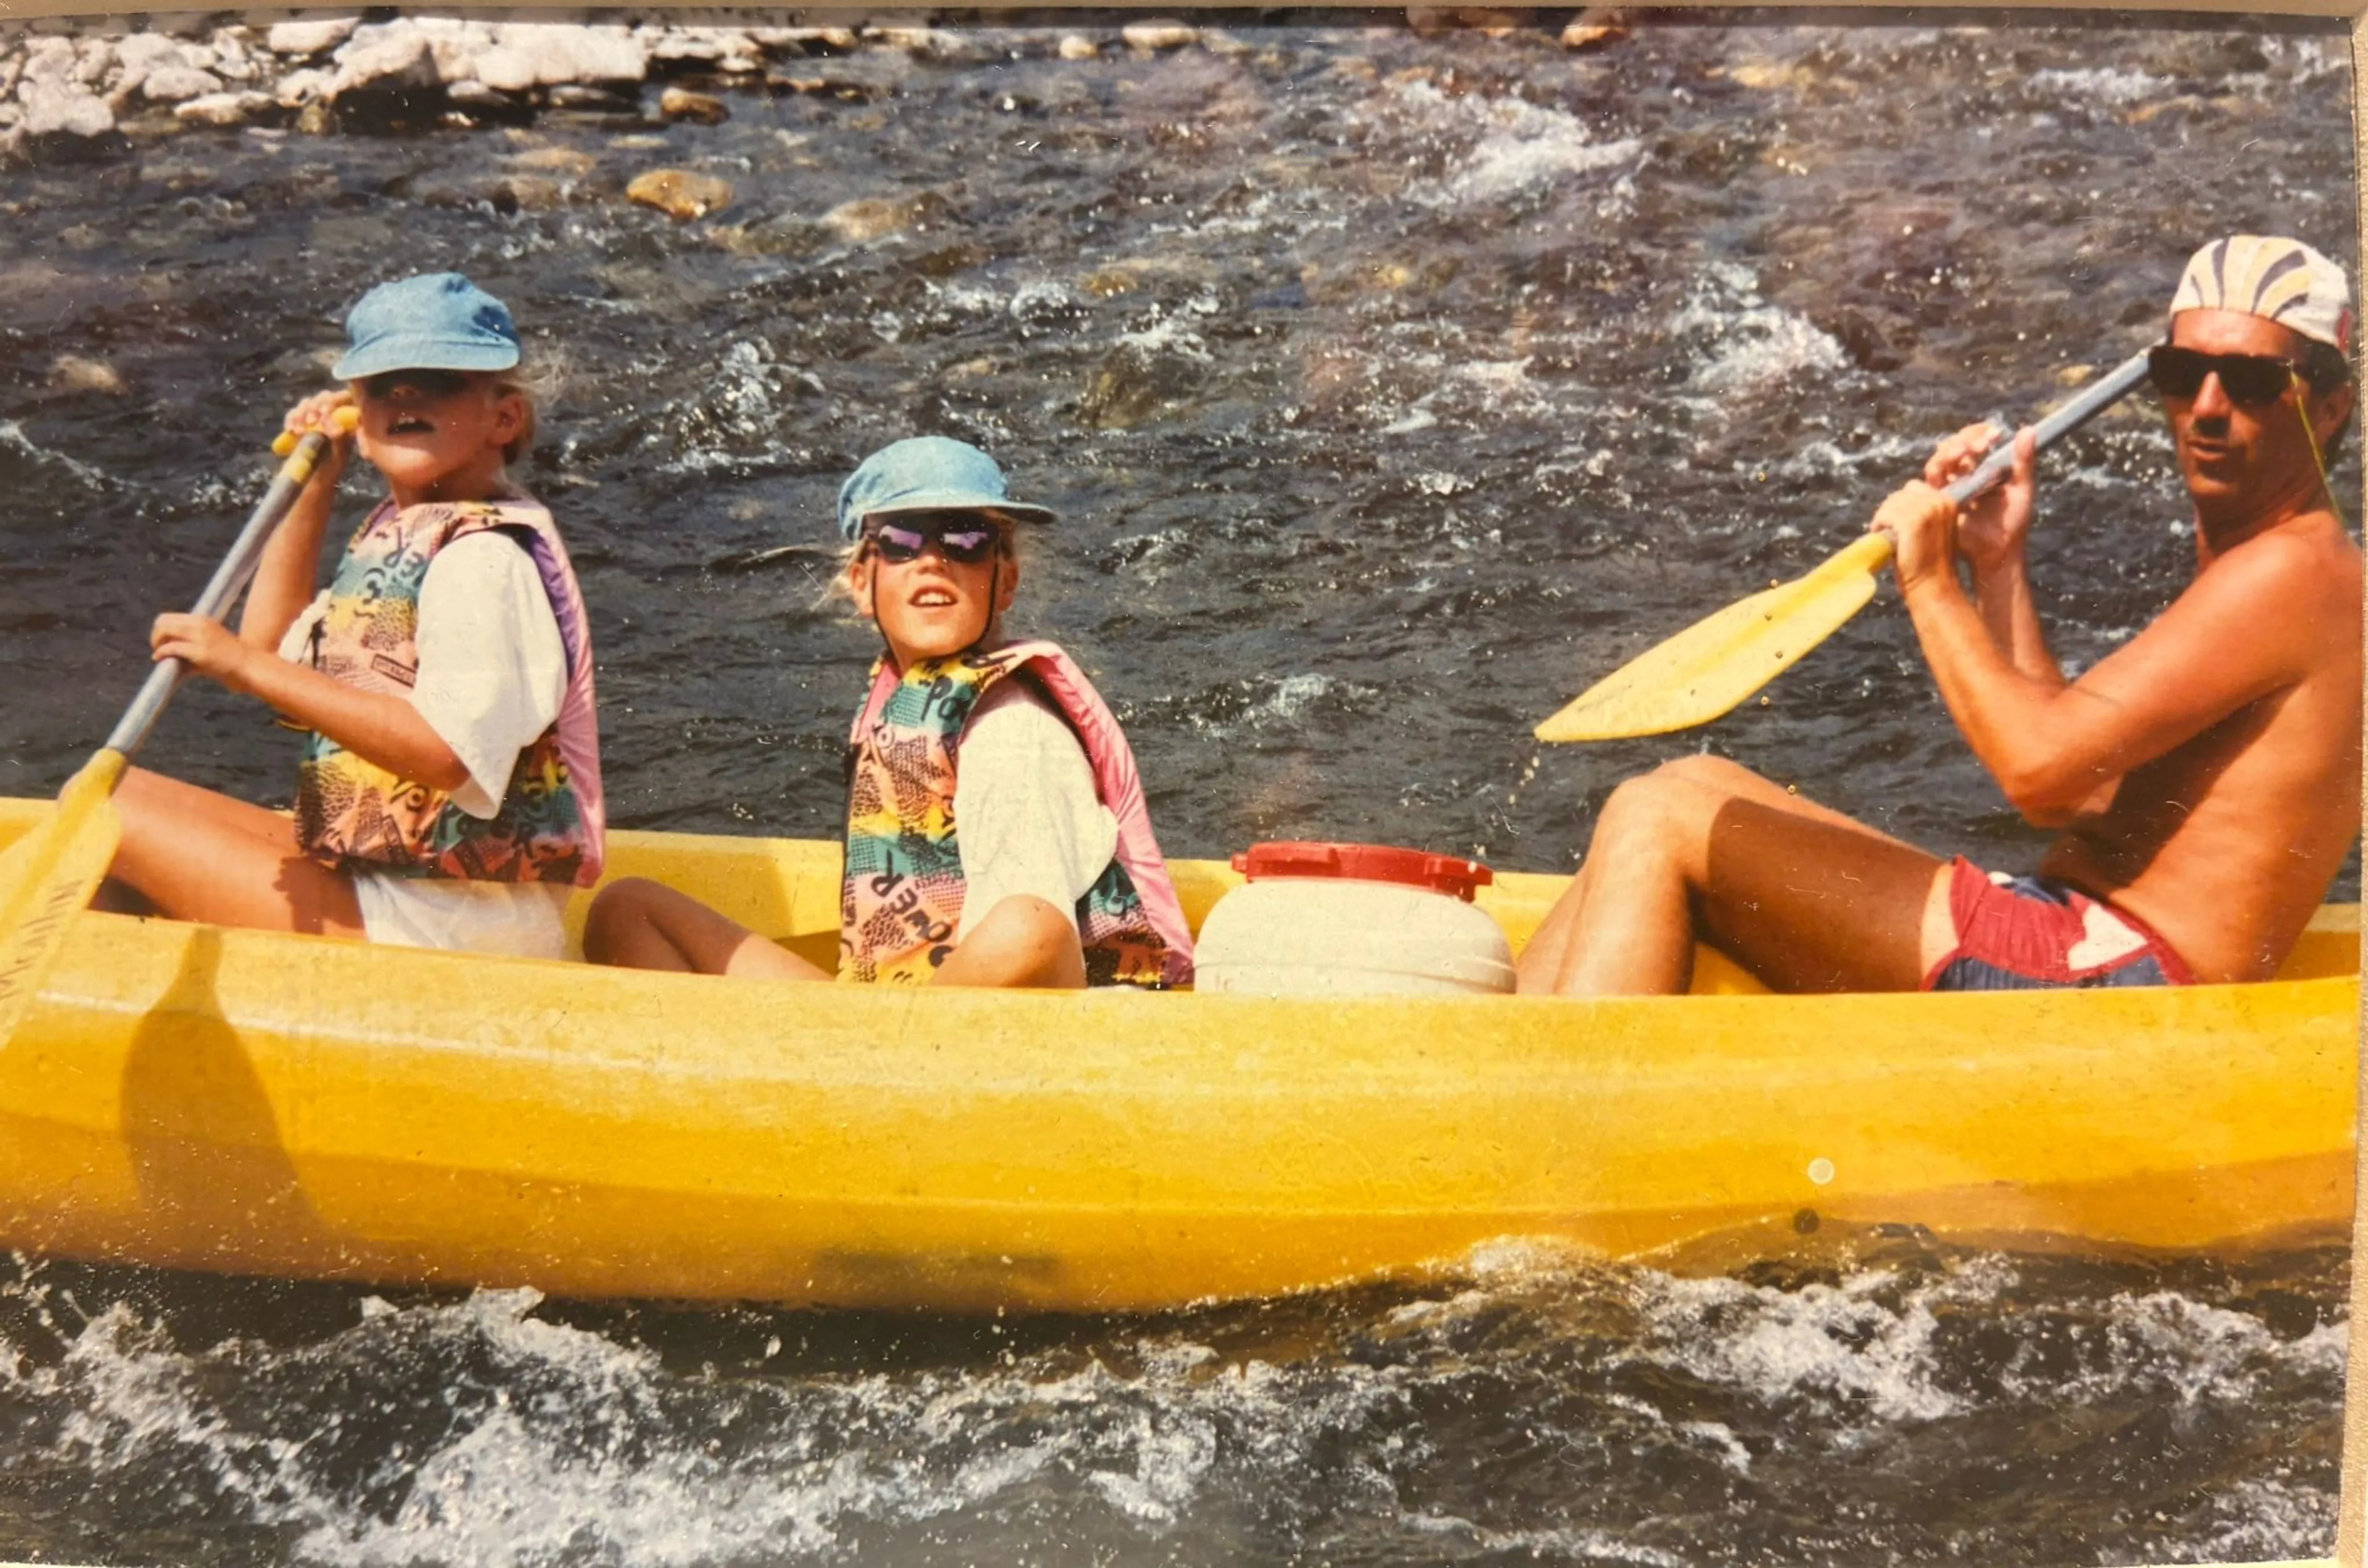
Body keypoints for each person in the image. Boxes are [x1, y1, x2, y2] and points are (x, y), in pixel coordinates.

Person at [1518, 234, 2361, 996]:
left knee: (1655, 819)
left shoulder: (2290, 571)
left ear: (2329, 407)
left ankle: (1557, 1128)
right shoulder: (2276, 563)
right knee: (1688, 784)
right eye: (2182, 374)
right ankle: (1513, 1066)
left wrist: (1928, 580)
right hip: (2084, 938)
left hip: (2118, 977)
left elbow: (2037, 771)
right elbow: (2087, 790)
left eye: (2251, 380)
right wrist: (1997, 565)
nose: (2208, 406)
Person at [100, 272, 606, 960]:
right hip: (406, 887)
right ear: (358, 423)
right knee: (115, 789)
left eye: (438, 378)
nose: (405, 394)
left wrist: (243, 668)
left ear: (504, 418)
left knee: (105, 817)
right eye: (381, 383)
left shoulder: (483, 559)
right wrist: (314, 489)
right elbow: (273, 654)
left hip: (451, 928)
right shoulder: (403, 533)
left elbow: (447, 755)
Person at [585, 436, 1195, 990]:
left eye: (965, 539)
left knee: (1019, 923)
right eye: (902, 542)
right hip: (896, 1010)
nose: (933, 560)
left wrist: (885, 1048)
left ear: (1004, 582)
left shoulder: (1011, 731)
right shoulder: (903, 695)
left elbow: (1036, 937)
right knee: (628, 910)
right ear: (860, 580)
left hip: (990, 1038)